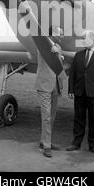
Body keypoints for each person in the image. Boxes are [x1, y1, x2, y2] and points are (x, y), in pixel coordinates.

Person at [66, 30, 94, 155]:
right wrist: (71, 90)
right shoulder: (78, 55)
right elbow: (72, 74)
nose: (83, 40)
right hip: (79, 93)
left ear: (92, 39)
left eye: (84, 38)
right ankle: (76, 143)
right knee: (78, 119)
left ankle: (93, 145)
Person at [34, 26, 64, 158]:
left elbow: (59, 66)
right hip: (44, 85)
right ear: (52, 34)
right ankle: (46, 146)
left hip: (55, 86)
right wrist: (54, 53)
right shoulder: (43, 45)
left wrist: (60, 57)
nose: (62, 36)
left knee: (51, 117)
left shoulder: (58, 47)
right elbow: (45, 55)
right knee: (46, 117)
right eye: (60, 34)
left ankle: (45, 142)